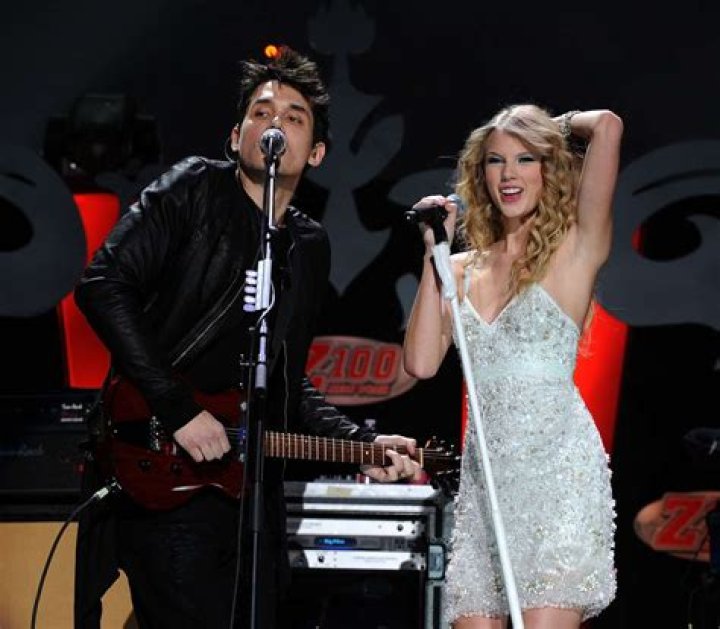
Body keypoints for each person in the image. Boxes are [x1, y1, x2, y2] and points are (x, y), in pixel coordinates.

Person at [73, 47, 421, 629]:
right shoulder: (193, 189)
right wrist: (178, 409)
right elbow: (103, 284)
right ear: (236, 137)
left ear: (316, 152)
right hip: (164, 467)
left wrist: (362, 443)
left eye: (293, 117)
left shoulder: (307, 246)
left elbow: (286, 379)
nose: (274, 124)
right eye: (261, 113)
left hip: (247, 493)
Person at [403, 104, 623, 628]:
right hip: (486, 493)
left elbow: (607, 126)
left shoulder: (576, 250)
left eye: (526, 159)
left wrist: (552, 127)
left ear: (549, 169)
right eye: (496, 160)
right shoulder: (459, 269)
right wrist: (434, 253)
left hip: (559, 483)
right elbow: (421, 363)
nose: (509, 173)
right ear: (480, 175)